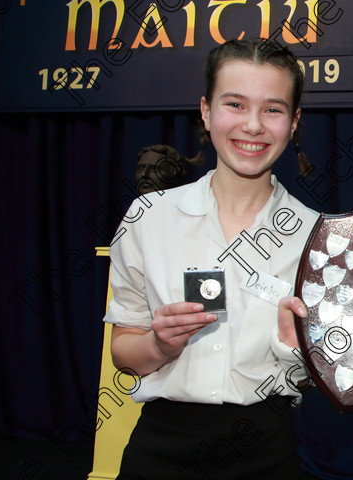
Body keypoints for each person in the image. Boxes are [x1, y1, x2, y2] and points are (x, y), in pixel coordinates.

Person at [104, 38, 318, 479]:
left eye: (274, 109)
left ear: (294, 122)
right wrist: (159, 344)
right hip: (161, 450)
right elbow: (124, 354)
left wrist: (300, 354)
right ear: (206, 111)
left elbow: (310, 379)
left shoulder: (317, 235)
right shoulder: (149, 217)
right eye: (235, 104)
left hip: (267, 451)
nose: (254, 125)